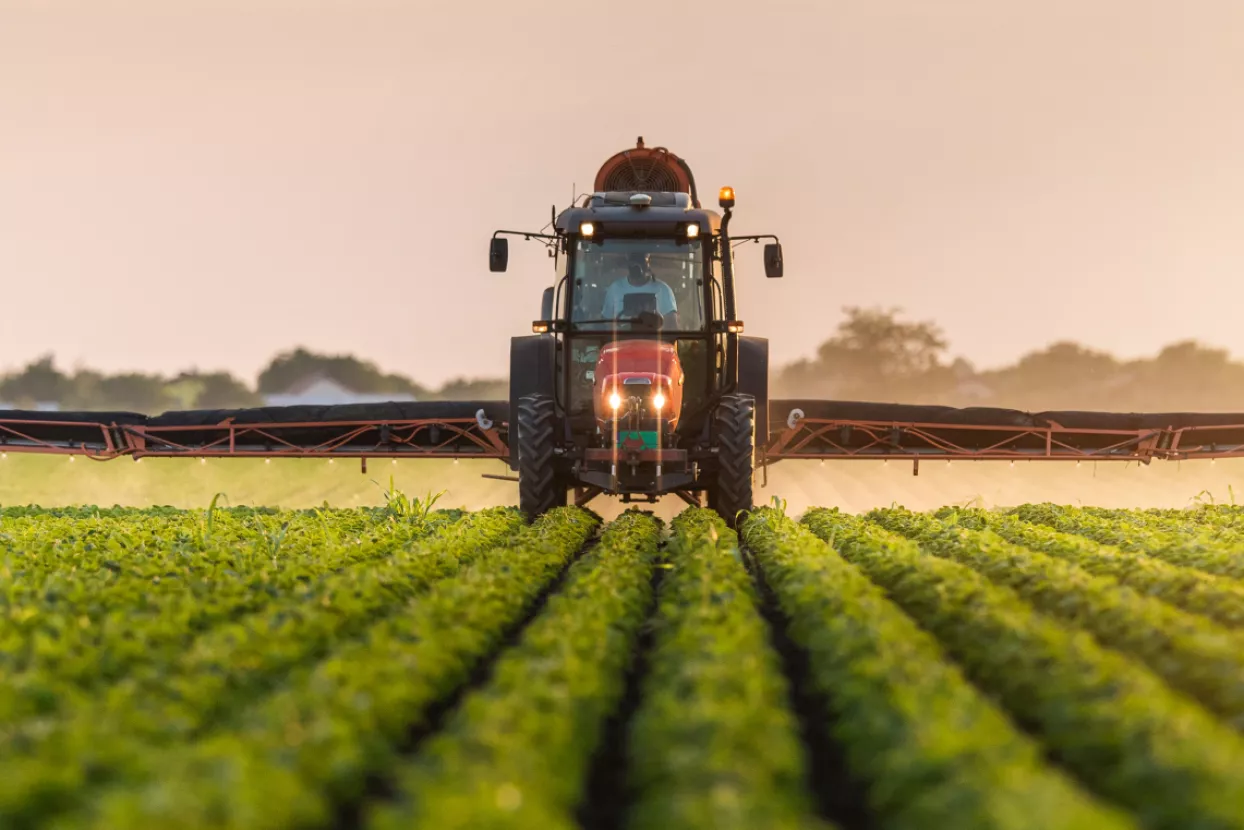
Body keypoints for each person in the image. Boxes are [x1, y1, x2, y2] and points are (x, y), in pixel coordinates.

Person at [600, 252, 678, 328]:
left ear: (648, 263)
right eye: (633, 262)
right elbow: (607, 323)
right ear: (628, 264)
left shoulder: (662, 289)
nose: (637, 266)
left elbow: (672, 325)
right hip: (622, 340)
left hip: (654, 340)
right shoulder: (615, 288)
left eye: (641, 261)